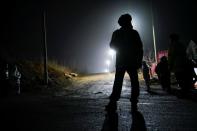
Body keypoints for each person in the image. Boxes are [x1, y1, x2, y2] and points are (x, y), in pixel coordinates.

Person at [105, 13, 143, 112]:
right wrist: (139, 60)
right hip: (131, 62)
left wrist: (120, 48)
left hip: (122, 61)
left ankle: (113, 101)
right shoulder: (134, 33)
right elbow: (140, 48)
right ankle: (134, 100)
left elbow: (112, 46)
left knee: (118, 82)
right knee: (134, 82)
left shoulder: (117, 33)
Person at [168, 33, 193, 98]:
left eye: (170, 39)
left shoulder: (172, 45)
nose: (169, 40)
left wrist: (170, 66)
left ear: (172, 39)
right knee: (184, 79)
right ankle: (186, 91)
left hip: (178, 65)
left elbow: (171, 56)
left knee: (180, 79)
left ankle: (184, 93)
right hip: (184, 64)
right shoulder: (181, 45)